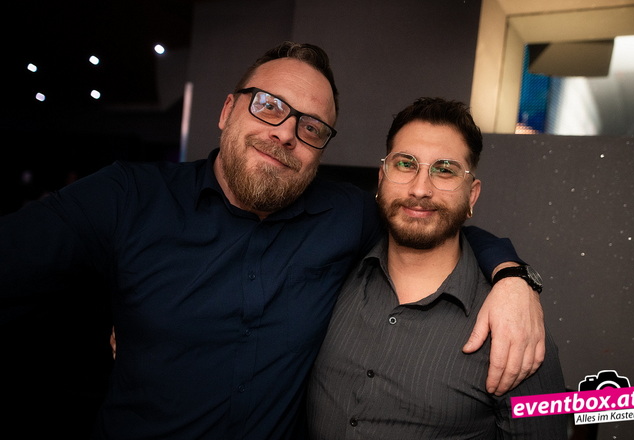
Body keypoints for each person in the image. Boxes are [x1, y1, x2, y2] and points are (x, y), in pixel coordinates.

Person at [0, 42, 543, 439]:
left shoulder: (346, 215)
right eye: (268, 104)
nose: (285, 132)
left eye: (311, 127)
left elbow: (424, 217)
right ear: (226, 111)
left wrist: (513, 276)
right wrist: (119, 315)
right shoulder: (129, 196)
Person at [306, 97, 567, 439]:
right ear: (382, 178)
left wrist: (515, 278)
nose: (420, 189)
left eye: (444, 170)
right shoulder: (334, 271)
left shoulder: (519, 332)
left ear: (471, 196)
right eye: (405, 164)